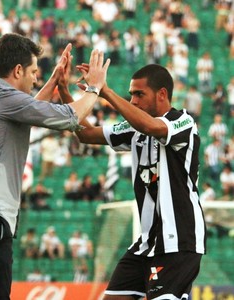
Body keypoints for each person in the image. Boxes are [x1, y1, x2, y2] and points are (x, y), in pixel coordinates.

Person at [0, 32, 110, 300]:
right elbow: (70, 117)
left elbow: (27, 112)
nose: (35, 78)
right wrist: (95, 88)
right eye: (33, 71)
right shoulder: (3, 98)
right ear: (17, 70)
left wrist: (54, 81)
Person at [60, 63, 206, 299]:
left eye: (139, 94)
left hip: (178, 240)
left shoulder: (183, 123)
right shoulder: (134, 128)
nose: (134, 101)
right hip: (146, 243)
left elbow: (151, 126)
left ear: (162, 94)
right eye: (131, 95)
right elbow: (86, 134)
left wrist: (104, 90)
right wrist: (65, 93)